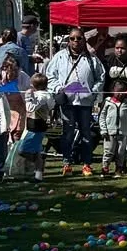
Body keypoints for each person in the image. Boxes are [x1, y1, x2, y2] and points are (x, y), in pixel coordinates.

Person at [43, 32, 104, 175]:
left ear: (84, 40)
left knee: (86, 133)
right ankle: (67, 163)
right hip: (67, 101)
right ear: (68, 40)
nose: (76, 41)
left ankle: (87, 164)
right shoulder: (59, 57)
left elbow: (100, 77)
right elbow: (50, 75)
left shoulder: (92, 59)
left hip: (85, 101)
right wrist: (58, 89)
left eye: (79, 38)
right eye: (72, 38)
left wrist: (92, 92)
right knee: (67, 133)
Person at [98, 35, 127, 177]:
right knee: (116, 137)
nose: (119, 51)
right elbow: (103, 83)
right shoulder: (108, 62)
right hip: (113, 105)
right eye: (117, 48)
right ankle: (120, 165)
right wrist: (102, 102)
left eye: (123, 48)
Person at [14, 73, 54, 182]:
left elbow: (30, 108)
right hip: (35, 125)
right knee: (36, 151)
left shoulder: (42, 96)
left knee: (22, 150)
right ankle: (38, 176)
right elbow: (51, 106)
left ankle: (39, 164)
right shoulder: (47, 95)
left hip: (36, 126)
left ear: (33, 85)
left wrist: (28, 98)